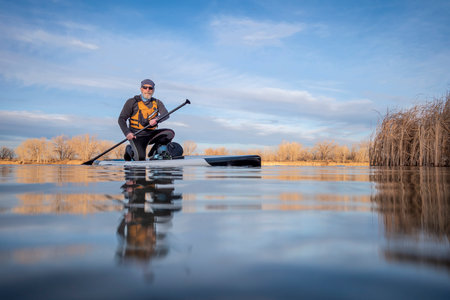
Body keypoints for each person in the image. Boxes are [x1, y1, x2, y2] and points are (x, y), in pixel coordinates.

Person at [118, 79, 175, 161]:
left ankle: (154, 153)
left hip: (151, 134)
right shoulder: (132, 102)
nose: (147, 90)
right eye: (145, 87)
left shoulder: (157, 102)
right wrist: (127, 133)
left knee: (169, 133)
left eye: (150, 88)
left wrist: (157, 119)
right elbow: (121, 119)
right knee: (140, 159)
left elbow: (166, 115)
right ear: (141, 89)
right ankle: (129, 150)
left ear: (153, 90)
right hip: (136, 136)